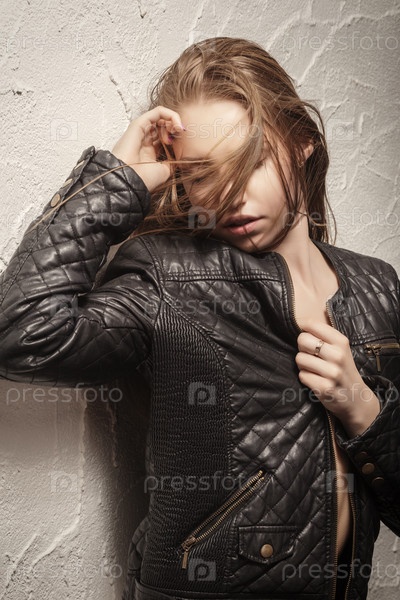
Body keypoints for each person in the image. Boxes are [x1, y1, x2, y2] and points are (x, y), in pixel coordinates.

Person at [0, 37, 399, 600]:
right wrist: (118, 181)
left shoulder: (377, 285)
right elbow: (22, 334)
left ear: (303, 143)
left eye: (251, 162)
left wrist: (362, 408)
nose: (229, 195)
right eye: (202, 172)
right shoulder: (171, 275)